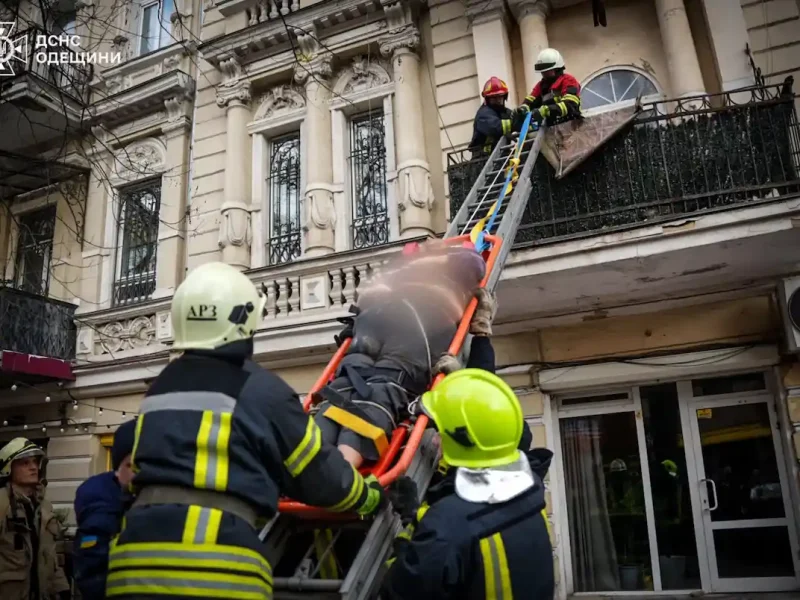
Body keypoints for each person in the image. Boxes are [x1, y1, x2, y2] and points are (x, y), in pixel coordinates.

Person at [105, 261, 385, 599]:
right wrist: (368, 496)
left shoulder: (160, 389)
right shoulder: (260, 390)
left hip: (130, 562)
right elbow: (318, 473)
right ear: (244, 322)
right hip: (212, 567)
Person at [380, 370, 554, 600]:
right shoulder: (530, 491)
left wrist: (407, 543)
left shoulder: (448, 524)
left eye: (441, 432)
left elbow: (398, 592)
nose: (434, 439)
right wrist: (415, 515)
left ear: (464, 442)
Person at [312, 240, 488, 469]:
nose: (429, 243)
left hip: (414, 329)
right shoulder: (417, 269)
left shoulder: (457, 263)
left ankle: (339, 472)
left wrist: (419, 262)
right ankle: (312, 468)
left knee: (383, 386)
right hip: (377, 327)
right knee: (342, 389)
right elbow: (368, 292)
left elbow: (472, 262)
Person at [73, 418, 137, 599]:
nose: (139, 473)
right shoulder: (101, 504)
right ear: (118, 468)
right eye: (131, 465)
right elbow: (92, 573)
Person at [0, 437, 70, 600]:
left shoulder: (44, 507)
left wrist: (62, 589)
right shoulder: (2, 504)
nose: (33, 468)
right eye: (25, 463)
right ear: (8, 468)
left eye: (35, 462)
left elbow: (50, 557)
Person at [515, 48, 582, 127]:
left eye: (547, 70)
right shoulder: (541, 85)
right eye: (542, 71)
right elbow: (530, 100)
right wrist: (522, 109)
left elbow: (571, 105)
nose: (543, 73)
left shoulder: (568, 80)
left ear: (557, 68)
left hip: (571, 125)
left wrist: (546, 111)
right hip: (551, 128)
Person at [469, 77, 516, 156]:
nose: (498, 100)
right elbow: (496, 128)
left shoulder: (504, 112)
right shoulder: (483, 114)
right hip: (484, 159)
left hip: (501, 155)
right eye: (494, 97)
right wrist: (515, 123)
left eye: (500, 96)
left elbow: (514, 118)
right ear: (487, 99)